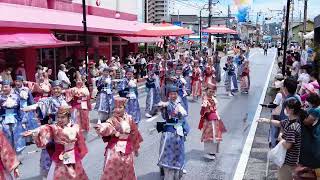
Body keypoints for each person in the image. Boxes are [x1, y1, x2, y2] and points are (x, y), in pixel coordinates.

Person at [24, 107, 89, 180]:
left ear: (68, 117)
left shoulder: (75, 127)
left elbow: (81, 145)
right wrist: (34, 131)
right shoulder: (54, 128)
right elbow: (45, 128)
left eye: (63, 117)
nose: (60, 120)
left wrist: (77, 155)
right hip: (59, 157)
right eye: (58, 117)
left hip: (73, 157)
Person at [94, 97, 143, 180]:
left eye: (120, 107)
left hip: (127, 149)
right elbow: (107, 126)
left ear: (125, 108)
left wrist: (136, 149)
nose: (117, 110)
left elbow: (134, 134)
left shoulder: (129, 119)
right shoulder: (112, 120)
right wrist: (101, 128)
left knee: (127, 170)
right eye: (115, 107)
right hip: (114, 149)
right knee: (111, 171)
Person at [258, 97, 305, 180]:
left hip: (287, 161)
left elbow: (287, 145)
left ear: (291, 110)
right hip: (286, 159)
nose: (284, 110)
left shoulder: (293, 127)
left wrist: (281, 139)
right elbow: (280, 123)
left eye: (286, 108)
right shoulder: (291, 121)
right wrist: (266, 120)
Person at [157, 85, 189, 179]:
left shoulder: (180, 104)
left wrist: (185, 129)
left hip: (178, 129)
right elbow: (164, 117)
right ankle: (166, 170)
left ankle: (178, 168)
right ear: (168, 95)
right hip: (168, 131)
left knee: (179, 149)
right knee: (166, 151)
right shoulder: (166, 104)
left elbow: (183, 118)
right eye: (171, 94)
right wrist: (163, 108)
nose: (173, 96)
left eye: (175, 94)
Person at [198, 83, 226, 160]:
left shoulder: (213, 99)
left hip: (214, 119)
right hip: (208, 121)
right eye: (210, 91)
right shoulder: (205, 100)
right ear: (206, 91)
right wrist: (205, 108)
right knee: (209, 136)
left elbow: (215, 108)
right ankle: (208, 152)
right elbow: (202, 112)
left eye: (213, 92)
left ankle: (213, 151)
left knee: (215, 135)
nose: (211, 93)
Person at [0, 80, 26, 153]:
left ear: (10, 87)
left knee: (17, 136)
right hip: (4, 119)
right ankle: (10, 157)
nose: (4, 89)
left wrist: (23, 120)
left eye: (6, 87)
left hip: (15, 118)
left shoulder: (16, 96)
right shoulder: (0, 98)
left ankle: (16, 156)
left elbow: (20, 109)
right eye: (3, 87)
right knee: (7, 137)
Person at [298, 94, 320, 178]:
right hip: (315, 131)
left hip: (315, 133)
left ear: (312, 103)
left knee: (312, 151)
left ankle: (313, 171)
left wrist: (302, 113)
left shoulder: (315, 110)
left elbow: (307, 122)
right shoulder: (316, 108)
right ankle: (311, 169)